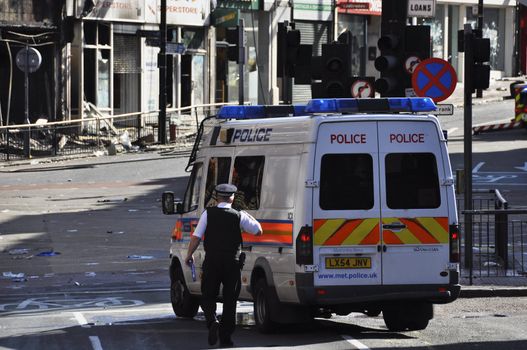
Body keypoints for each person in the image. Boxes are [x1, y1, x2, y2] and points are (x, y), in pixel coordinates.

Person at [185, 183, 263, 347]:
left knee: (207, 294)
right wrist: (246, 214)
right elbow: (258, 231)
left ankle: (212, 321)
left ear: (217, 197)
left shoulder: (208, 214)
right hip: (232, 263)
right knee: (230, 300)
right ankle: (226, 338)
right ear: (233, 198)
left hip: (212, 261)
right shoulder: (238, 215)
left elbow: (196, 236)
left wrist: (189, 254)